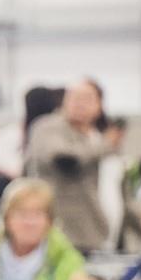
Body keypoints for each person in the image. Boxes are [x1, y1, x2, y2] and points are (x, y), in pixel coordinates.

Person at [25, 77, 122, 254]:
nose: (79, 103)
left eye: (87, 98)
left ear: (99, 105)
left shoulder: (98, 139)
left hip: (97, 234)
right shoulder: (48, 128)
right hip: (60, 234)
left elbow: (120, 191)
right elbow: (65, 158)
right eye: (74, 97)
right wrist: (107, 146)